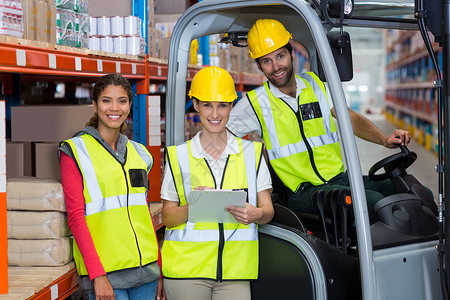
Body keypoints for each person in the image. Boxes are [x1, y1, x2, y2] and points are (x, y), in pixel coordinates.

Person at [226, 19, 413, 224]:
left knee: (407, 188)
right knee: (372, 203)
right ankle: (368, 257)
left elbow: (348, 117)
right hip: (304, 192)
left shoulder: (317, 85)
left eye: (280, 56)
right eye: (266, 61)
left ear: (291, 54)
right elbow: (220, 134)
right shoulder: (255, 103)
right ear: (259, 66)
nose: (276, 66)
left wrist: (385, 140)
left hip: (339, 179)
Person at [160, 66, 274, 300]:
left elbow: (268, 211)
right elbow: (168, 218)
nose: (215, 113)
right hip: (187, 273)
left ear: (232, 106)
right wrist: (194, 207)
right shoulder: (179, 156)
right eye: (207, 104)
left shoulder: (252, 153)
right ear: (196, 105)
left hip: (235, 273)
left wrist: (256, 214)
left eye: (222, 105)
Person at [58, 74, 164, 300]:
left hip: (147, 271)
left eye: (122, 101)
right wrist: (97, 275)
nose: (114, 108)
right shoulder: (75, 151)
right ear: (95, 106)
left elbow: (142, 213)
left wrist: (160, 268)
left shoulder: (139, 153)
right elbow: (76, 218)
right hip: (106, 275)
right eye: (106, 100)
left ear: (129, 105)